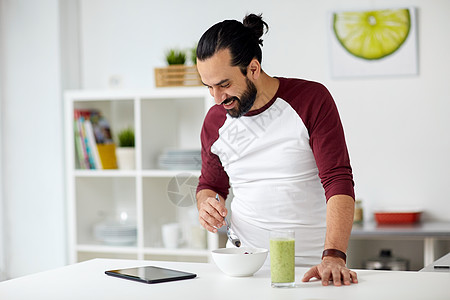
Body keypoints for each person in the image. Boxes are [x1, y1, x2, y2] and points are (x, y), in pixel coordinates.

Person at [195, 13, 358, 286]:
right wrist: (206, 205)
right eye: (209, 87)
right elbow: (210, 184)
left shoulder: (311, 100)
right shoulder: (215, 121)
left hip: (312, 268)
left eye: (224, 84)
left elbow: (338, 179)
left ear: (253, 69)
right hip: (243, 268)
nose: (217, 98)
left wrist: (333, 256)